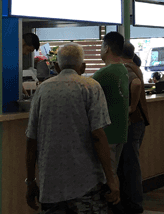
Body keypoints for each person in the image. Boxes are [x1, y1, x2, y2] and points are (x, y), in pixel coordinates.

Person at [25, 43, 120, 213]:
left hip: (50, 186)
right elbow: (98, 135)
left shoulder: (42, 90)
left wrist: (31, 181)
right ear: (83, 66)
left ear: (56, 66)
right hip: (86, 184)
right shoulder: (91, 87)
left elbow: (31, 140)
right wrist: (111, 178)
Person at [118, 43, 150, 214]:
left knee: (130, 165)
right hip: (140, 122)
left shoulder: (125, 68)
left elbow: (136, 84)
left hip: (132, 121)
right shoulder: (135, 66)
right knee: (131, 164)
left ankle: (133, 205)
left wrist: (131, 106)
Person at [93, 32, 130, 178]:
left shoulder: (104, 73)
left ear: (106, 48)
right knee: (112, 174)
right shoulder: (123, 69)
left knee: (106, 177)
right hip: (120, 132)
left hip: (107, 135)